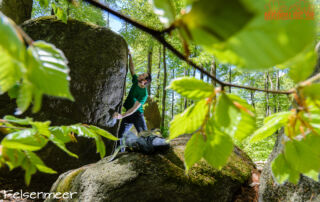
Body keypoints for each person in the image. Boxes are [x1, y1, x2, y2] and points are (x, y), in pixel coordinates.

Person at [113, 51, 152, 149]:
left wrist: (122, 116)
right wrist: (130, 55)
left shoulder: (144, 94)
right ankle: (119, 155)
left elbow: (134, 109)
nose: (140, 74)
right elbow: (132, 69)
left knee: (145, 137)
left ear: (144, 81)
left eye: (143, 75)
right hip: (128, 115)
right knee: (120, 136)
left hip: (137, 115)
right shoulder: (136, 81)